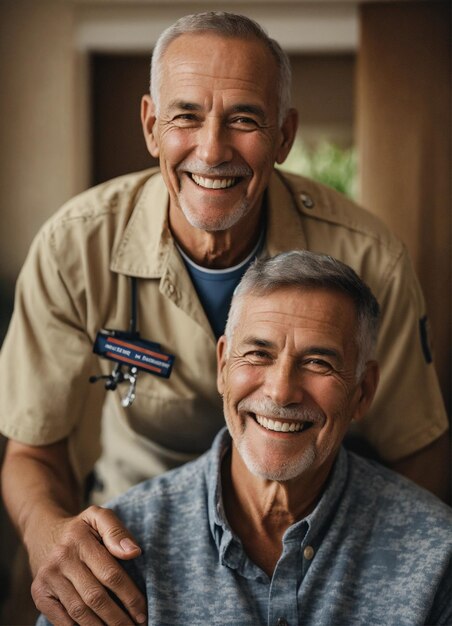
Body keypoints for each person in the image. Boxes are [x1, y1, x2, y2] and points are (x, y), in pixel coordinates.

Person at [0, 10, 449, 626]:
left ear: (285, 136)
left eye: (244, 119)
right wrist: (49, 533)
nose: (212, 150)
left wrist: (387, 581)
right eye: (186, 116)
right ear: (152, 126)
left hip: (320, 523)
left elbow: (415, 450)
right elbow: (31, 451)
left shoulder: (369, 258)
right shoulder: (75, 248)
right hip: (140, 537)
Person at [35, 250, 452, 626]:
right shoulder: (118, 552)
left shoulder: (438, 552)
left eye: (318, 361)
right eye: (258, 354)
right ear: (222, 366)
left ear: (362, 391)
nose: (280, 391)